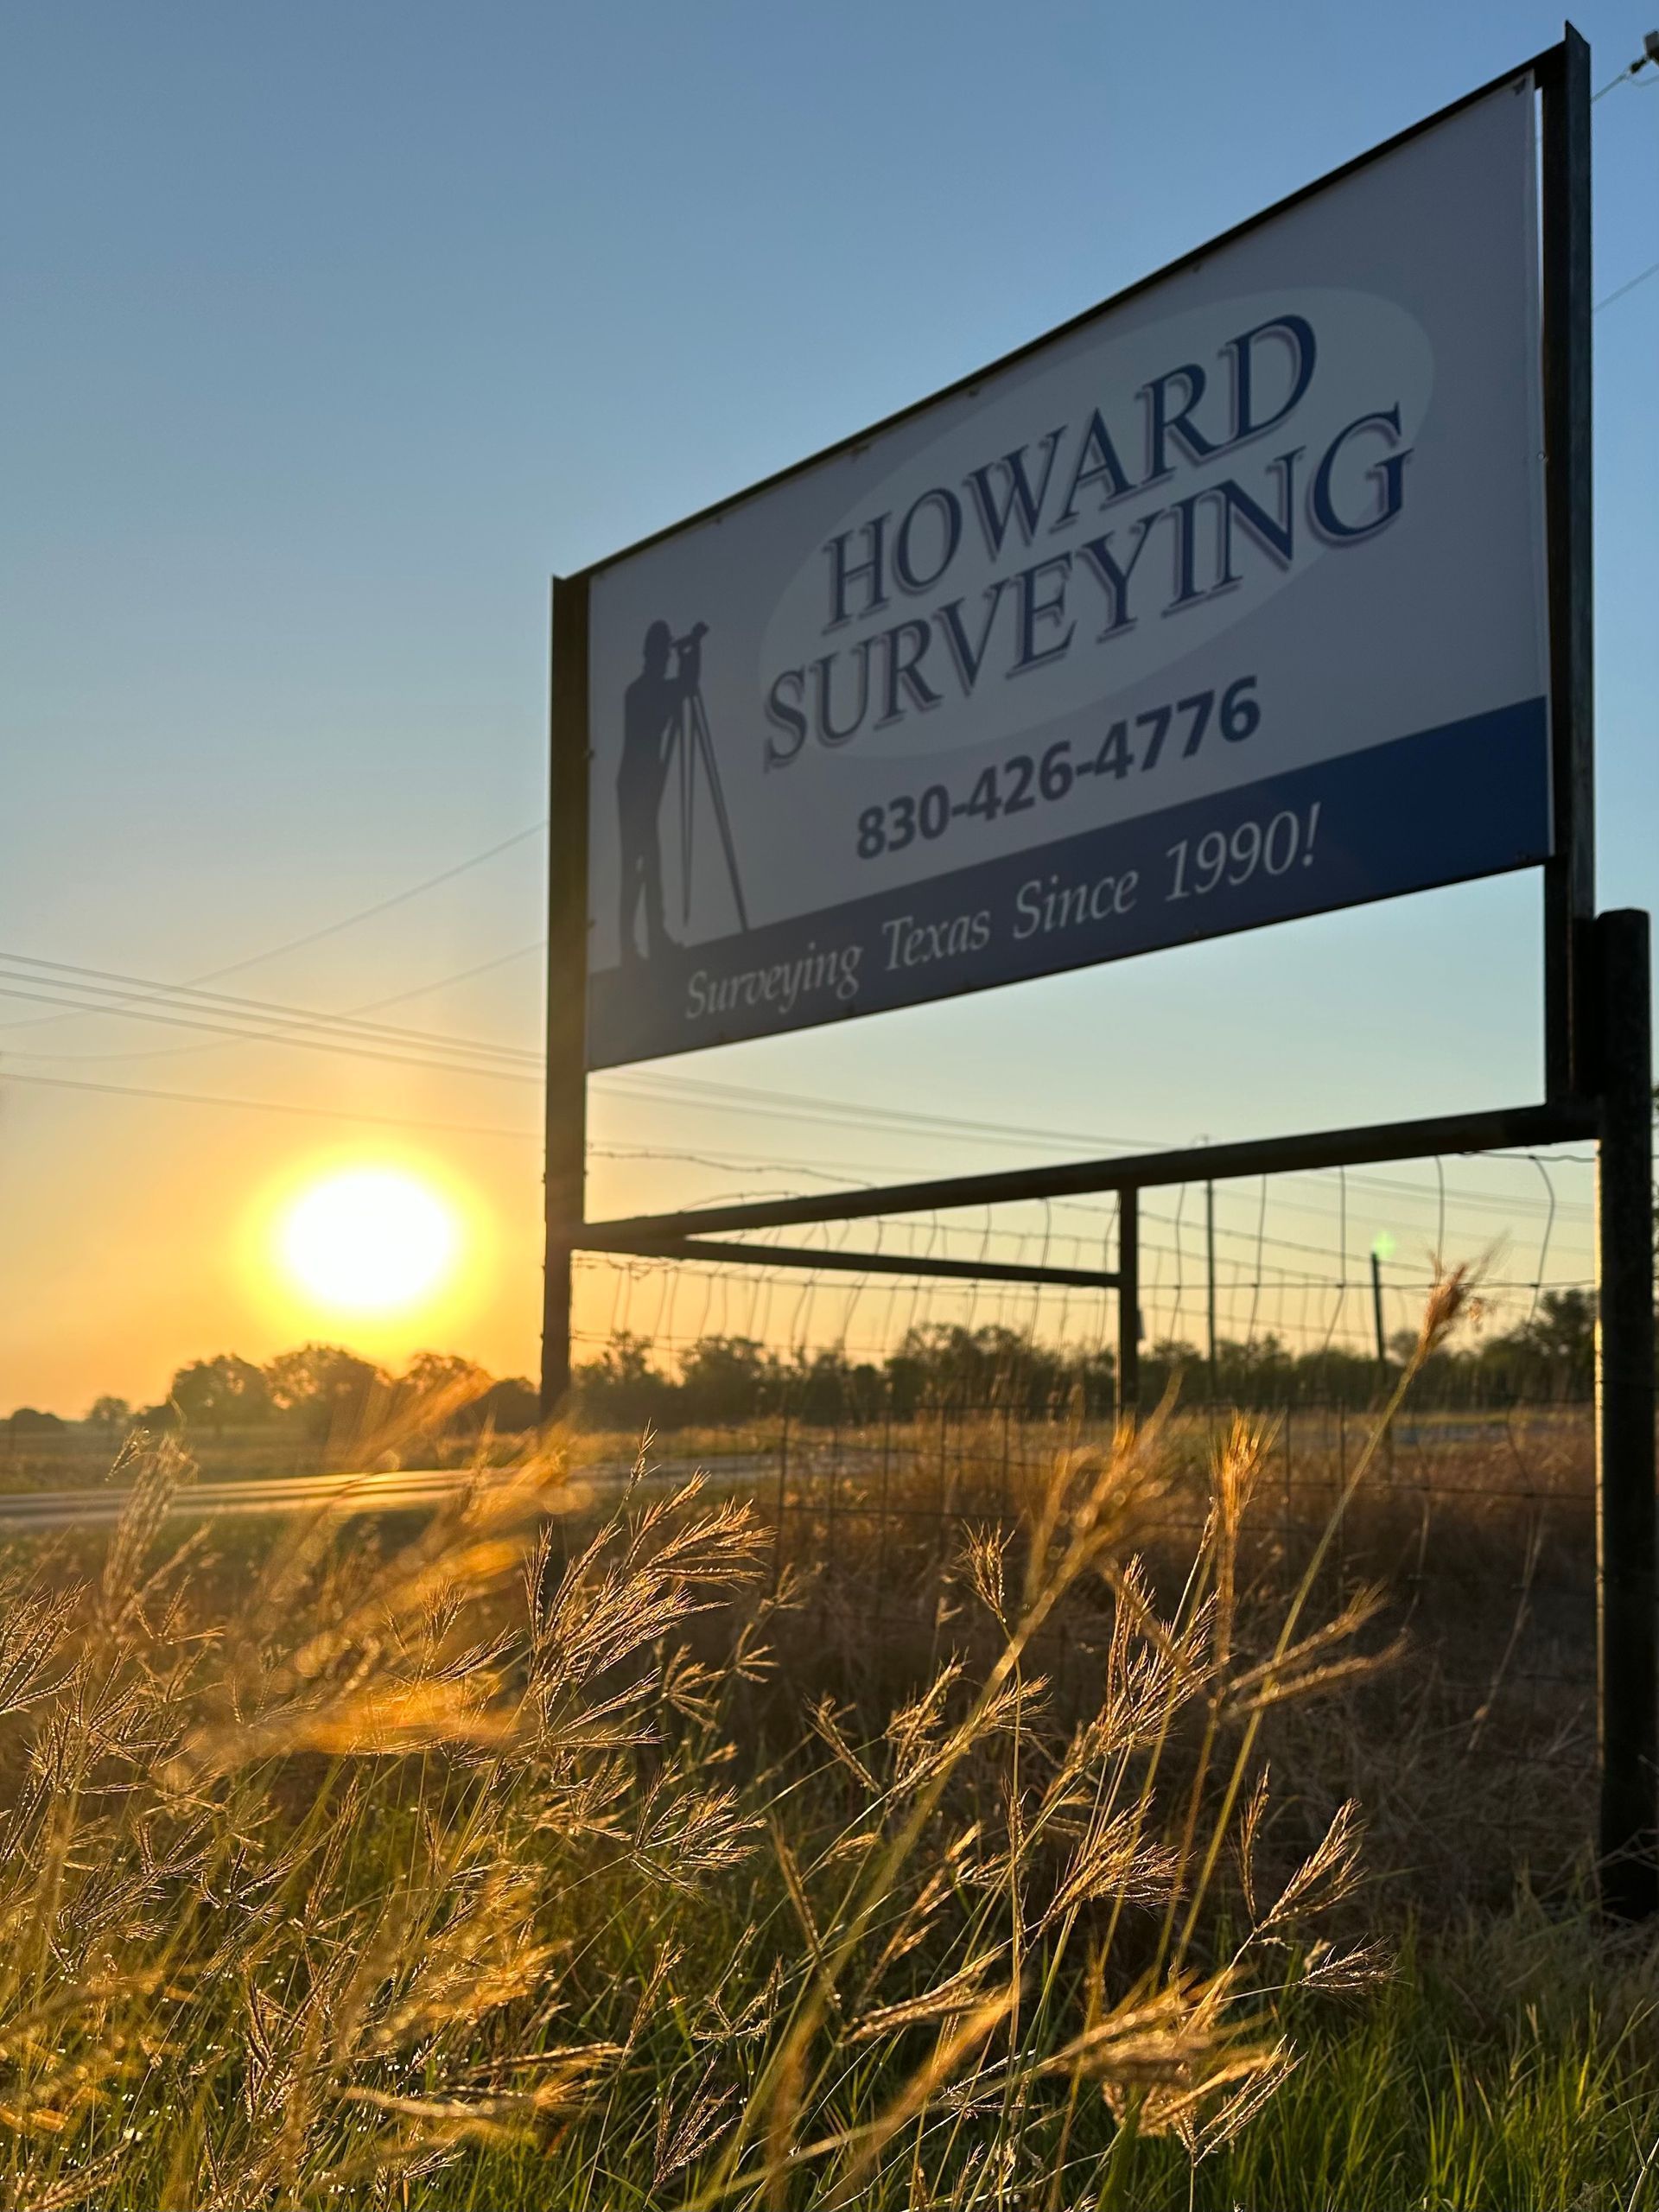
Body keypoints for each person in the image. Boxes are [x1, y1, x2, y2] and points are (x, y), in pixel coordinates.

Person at [617, 620, 703, 960]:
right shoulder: (638, 692)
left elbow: (686, 687)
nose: (665, 659)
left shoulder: (654, 688)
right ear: (650, 654)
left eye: (667, 653)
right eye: (662, 653)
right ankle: (627, 944)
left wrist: (693, 653)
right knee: (635, 864)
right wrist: (687, 662)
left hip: (645, 784)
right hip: (634, 788)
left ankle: (656, 935)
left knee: (651, 863)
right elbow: (671, 698)